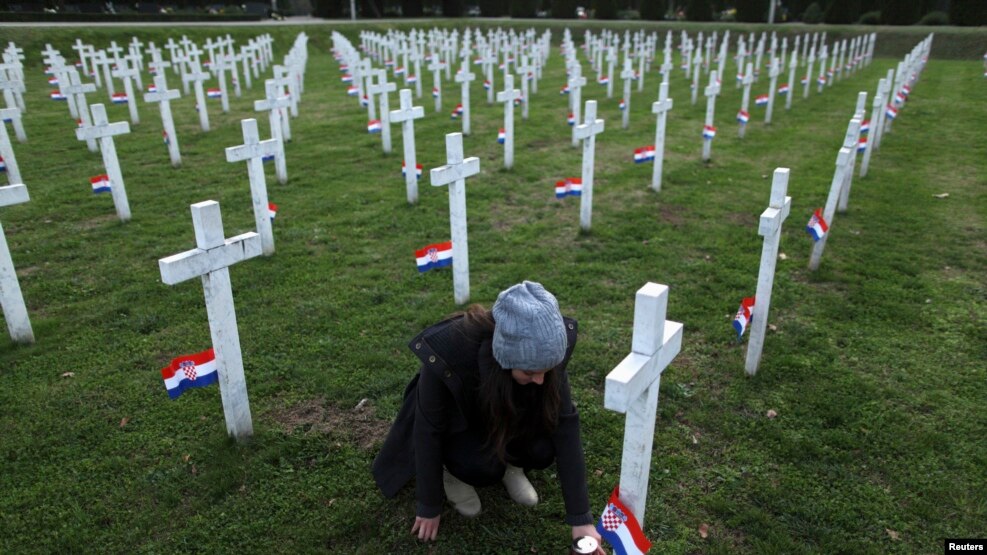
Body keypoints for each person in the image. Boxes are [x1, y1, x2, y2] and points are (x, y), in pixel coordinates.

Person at [372, 281, 605, 553]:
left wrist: (581, 518)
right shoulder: (448, 353)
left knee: (543, 450)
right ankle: (454, 474)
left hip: (507, 417)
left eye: (546, 371)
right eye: (530, 372)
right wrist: (429, 505)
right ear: (505, 357)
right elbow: (427, 429)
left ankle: (511, 466)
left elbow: (565, 425)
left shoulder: (548, 352)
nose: (541, 380)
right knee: (480, 467)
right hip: (462, 422)